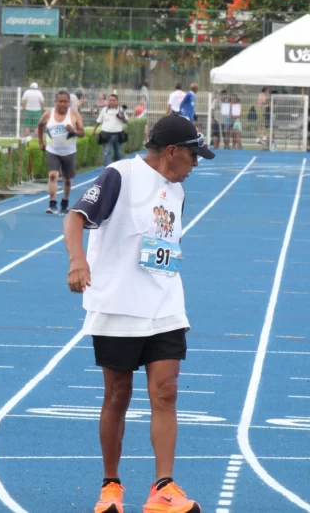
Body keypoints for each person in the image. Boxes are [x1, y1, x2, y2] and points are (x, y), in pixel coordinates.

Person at [65, 114, 214, 513]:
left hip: (165, 304)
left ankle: (163, 488)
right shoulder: (120, 175)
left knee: (166, 391)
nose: (195, 164)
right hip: (117, 305)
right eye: (193, 156)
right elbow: (74, 218)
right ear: (172, 151)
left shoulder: (177, 191)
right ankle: (111, 486)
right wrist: (78, 260)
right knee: (117, 394)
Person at [39, 90, 85, 215]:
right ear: (55, 102)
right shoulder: (48, 114)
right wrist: (40, 142)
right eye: (61, 101)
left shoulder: (74, 114)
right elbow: (40, 125)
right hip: (52, 150)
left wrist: (73, 131)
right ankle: (52, 204)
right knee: (53, 176)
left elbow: (82, 133)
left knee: (67, 180)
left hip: (69, 152)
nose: (63, 104)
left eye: (66, 101)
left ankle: (65, 204)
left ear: (69, 102)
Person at [93, 93, 128, 166]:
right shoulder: (104, 110)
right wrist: (94, 129)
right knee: (107, 153)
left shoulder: (121, 110)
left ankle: (118, 169)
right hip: (107, 135)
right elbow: (99, 120)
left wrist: (123, 117)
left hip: (118, 135)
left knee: (118, 154)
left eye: (113, 100)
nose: (112, 102)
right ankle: (108, 169)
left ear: (117, 101)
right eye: (110, 100)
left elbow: (127, 121)